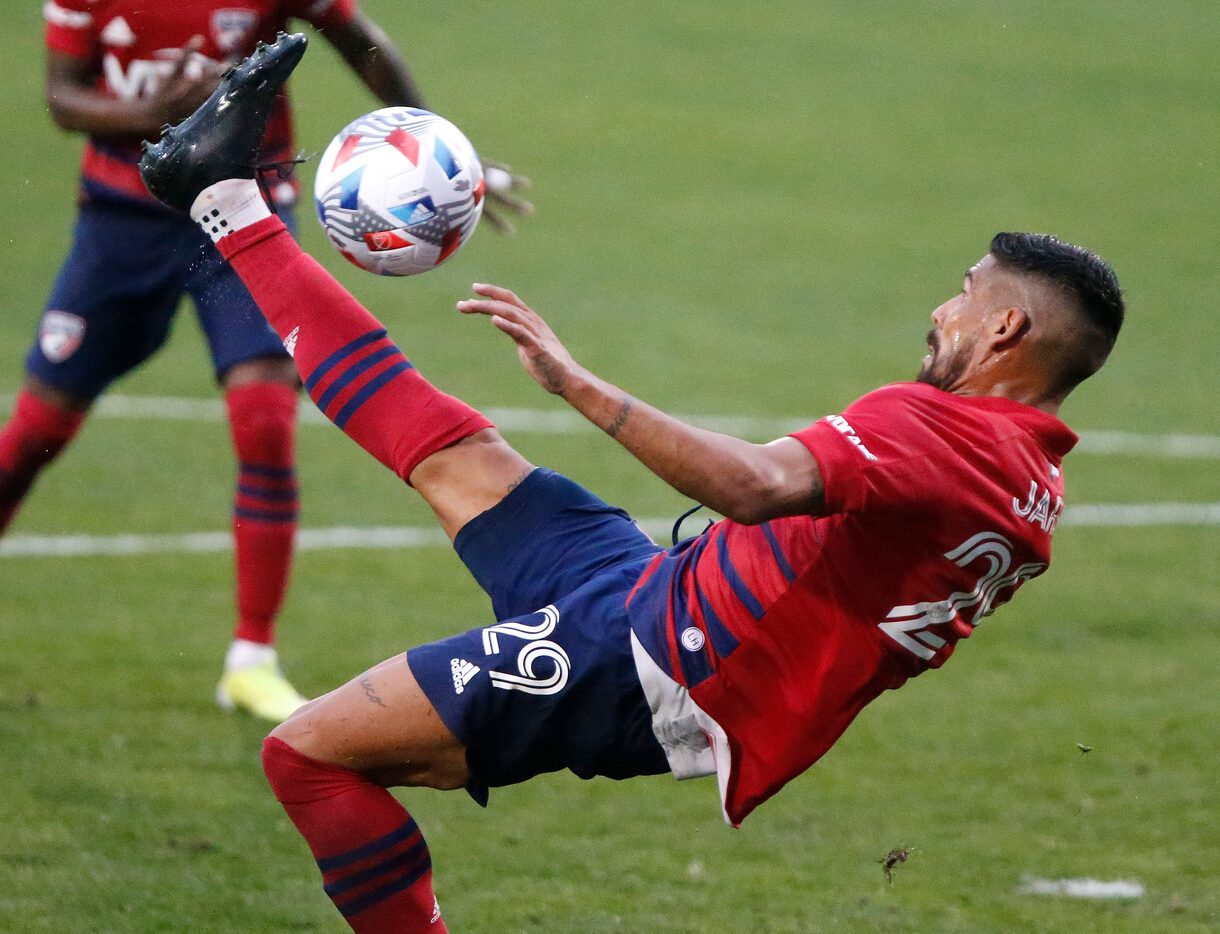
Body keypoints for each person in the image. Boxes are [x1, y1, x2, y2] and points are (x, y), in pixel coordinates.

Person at [140, 34, 1125, 932]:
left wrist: (578, 385)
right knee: (448, 450)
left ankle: (225, 206)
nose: (939, 308)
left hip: (653, 660)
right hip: (655, 593)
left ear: (1004, 330)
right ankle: (221, 200)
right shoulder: (1026, 475)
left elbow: (749, 485)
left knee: (305, 754)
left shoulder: (944, 433)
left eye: (963, 293)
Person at [0, 2, 531, 722]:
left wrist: (441, 150)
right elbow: (63, 98)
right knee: (37, 428)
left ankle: (252, 661)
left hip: (242, 204)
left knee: (264, 418)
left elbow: (356, 38)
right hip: (121, 219)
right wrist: (160, 109)